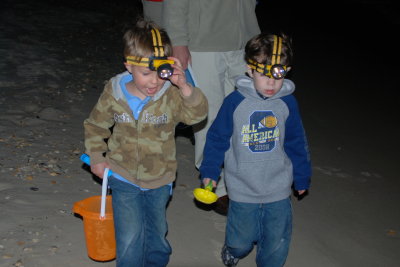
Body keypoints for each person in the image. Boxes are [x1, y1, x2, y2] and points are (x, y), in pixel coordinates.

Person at [83, 19, 208, 267]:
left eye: (160, 73)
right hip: (122, 174)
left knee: (156, 231)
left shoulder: (170, 94)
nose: (154, 82)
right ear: (129, 66)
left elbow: (197, 115)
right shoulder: (114, 91)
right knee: (129, 235)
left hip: (160, 177)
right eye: (146, 74)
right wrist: (97, 157)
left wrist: (184, 86)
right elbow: (95, 124)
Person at [199, 33, 312, 267]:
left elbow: (296, 141)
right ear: (250, 70)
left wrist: (301, 176)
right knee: (241, 242)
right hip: (242, 186)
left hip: (278, 185)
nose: (271, 82)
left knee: (276, 245)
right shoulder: (235, 101)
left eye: (278, 74)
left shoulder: (287, 103)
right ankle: (232, 248)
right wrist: (210, 170)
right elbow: (217, 138)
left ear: (287, 71)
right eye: (263, 73)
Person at [162, 0, 261, 215]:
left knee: (246, 115)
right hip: (202, 42)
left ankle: (240, 181)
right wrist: (178, 41)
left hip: (245, 39)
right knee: (209, 114)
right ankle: (216, 184)